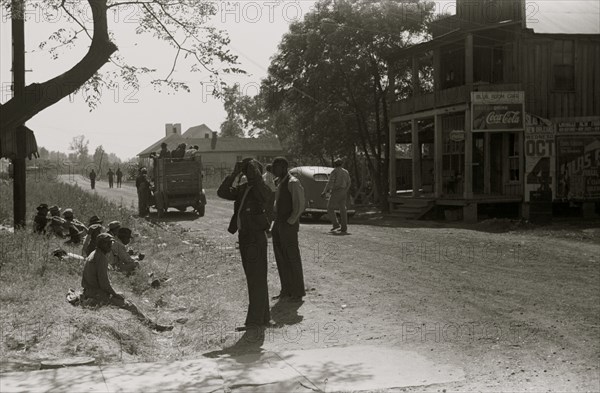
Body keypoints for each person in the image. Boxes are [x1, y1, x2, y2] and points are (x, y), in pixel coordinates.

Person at [217, 158, 272, 331]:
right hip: (245, 236)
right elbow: (222, 192)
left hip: (256, 237)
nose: (247, 173)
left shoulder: (260, 189)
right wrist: (235, 173)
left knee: (257, 278)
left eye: (251, 170)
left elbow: (265, 195)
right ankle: (263, 318)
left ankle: (255, 321)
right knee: (254, 278)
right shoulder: (243, 189)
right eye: (246, 170)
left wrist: (254, 172)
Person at [80, 233, 173, 332]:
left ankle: (152, 324)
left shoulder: (94, 253)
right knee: (130, 306)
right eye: (107, 243)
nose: (110, 246)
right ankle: (154, 326)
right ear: (101, 244)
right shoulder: (101, 258)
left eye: (110, 243)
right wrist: (115, 294)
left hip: (90, 291)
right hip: (96, 294)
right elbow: (104, 284)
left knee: (123, 298)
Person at [270, 157, 306, 302]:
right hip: (278, 224)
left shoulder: (293, 183)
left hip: (288, 226)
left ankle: (297, 291)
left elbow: (300, 205)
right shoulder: (279, 183)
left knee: (292, 258)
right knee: (281, 258)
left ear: (284, 167)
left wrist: (290, 221)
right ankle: (286, 290)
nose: (273, 169)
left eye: (276, 166)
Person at [321, 158, 351, 233]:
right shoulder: (346, 171)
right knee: (343, 209)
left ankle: (335, 224)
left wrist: (324, 192)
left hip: (336, 191)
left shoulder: (334, 171)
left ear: (335, 164)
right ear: (342, 164)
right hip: (344, 191)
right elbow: (349, 183)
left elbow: (330, 183)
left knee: (330, 208)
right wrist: (345, 190)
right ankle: (344, 227)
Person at [262, 164, 278, 232]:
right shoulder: (268, 175)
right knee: (269, 211)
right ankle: (267, 228)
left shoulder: (266, 175)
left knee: (266, 211)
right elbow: (266, 183)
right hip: (270, 194)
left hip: (268, 194)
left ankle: (265, 227)